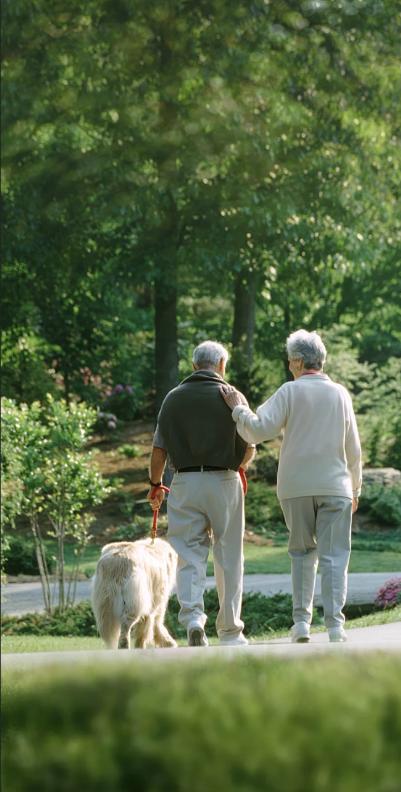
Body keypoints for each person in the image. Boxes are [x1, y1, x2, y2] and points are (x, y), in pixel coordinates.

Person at [220, 329, 362, 643]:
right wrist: (355, 488)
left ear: (297, 362)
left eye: (289, 361)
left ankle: (301, 625)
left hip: (296, 486)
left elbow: (256, 430)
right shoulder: (341, 394)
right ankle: (335, 627)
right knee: (335, 556)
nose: (288, 366)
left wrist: (238, 408)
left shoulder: (289, 391)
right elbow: (353, 448)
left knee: (301, 554)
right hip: (336, 485)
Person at [147, 340, 255, 647]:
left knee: (188, 553)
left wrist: (155, 484)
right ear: (221, 364)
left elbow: (158, 451)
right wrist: (240, 466)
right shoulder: (233, 396)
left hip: (185, 481)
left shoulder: (173, 399)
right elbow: (249, 447)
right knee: (229, 555)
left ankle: (193, 617)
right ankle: (231, 631)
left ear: (195, 366)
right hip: (225, 481)